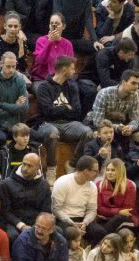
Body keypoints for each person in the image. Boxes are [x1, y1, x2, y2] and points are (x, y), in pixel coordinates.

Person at [34, 55, 90, 183]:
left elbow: (77, 112)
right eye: (72, 68)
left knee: (88, 132)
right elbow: (47, 113)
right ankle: (51, 169)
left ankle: (72, 164)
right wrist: (66, 108)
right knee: (52, 134)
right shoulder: (43, 87)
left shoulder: (72, 86)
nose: (74, 71)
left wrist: (58, 109)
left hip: (69, 124)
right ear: (64, 69)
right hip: (48, 123)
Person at [0, 152, 52, 244]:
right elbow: (5, 211)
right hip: (13, 223)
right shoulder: (6, 184)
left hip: (37, 223)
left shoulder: (44, 185)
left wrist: (38, 226)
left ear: (37, 168)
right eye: (24, 164)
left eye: (30, 166)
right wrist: (21, 225)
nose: (25, 168)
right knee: (12, 236)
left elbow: (46, 210)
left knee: (57, 233)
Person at [52, 155, 100, 245]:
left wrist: (85, 223)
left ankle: (90, 253)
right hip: (64, 219)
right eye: (95, 171)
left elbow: (92, 210)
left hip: (83, 219)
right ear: (86, 171)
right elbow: (56, 209)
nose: (98, 173)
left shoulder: (92, 186)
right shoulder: (63, 182)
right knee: (70, 233)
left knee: (99, 232)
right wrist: (72, 223)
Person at [93, 158, 139, 242]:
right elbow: (99, 208)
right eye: (108, 170)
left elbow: (127, 210)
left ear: (120, 171)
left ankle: (99, 242)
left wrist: (111, 212)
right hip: (104, 218)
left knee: (118, 218)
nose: (109, 172)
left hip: (124, 218)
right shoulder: (99, 184)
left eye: (113, 170)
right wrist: (118, 211)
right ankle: (101, 241)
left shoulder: (129, 186)